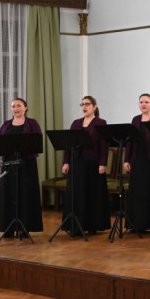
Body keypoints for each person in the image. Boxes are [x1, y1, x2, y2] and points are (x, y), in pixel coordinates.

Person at [0, 98, 44, 234]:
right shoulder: (6, 125)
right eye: (13, 106)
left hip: (27, 166)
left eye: (19, 106)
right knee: (9, 195)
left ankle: (25, 227)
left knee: (26, 196)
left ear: (25, 108)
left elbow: (37, 143)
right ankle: (8, 228)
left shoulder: (32, 123)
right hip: (9, 165)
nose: (16, 108)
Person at [62, 95, 110, 235]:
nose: (84, 107)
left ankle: (92, 225)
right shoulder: (76, 123)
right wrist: (66, 162)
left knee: (92, 194)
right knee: (76, 194)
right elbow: (68, 145)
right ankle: (75, 225)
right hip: (76, 163)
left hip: (93, 163)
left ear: (94, 106)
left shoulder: (101, 122)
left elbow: (104, 146)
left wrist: (103, 163)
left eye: (87, 104)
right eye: (82, 104)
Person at [123, 93, 150, 233]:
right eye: (141, 102)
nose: (143, 104)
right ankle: (138, 224)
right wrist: (127, 159)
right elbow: (130, 141)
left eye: (146, 102)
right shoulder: (135, 120)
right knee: (139, 192)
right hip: (138, 160)